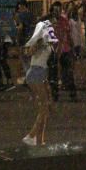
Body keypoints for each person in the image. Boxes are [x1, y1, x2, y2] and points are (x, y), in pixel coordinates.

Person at [21, 13, 59, 146]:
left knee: (45, 108)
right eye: (51, 23)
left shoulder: (48, 40)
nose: (53, 26)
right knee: (44, 106)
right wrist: (38, 44)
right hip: (36, 72)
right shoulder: (41, 39)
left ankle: (39, 140)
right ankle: (31, 136)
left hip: (41, 73)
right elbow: (28, 52)